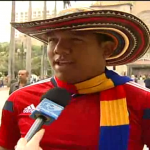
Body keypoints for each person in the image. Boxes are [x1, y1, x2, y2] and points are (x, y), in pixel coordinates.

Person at [0, 6, 150, 150]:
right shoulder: (18, 100)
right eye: (52, 40)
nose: (59, 49)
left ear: (107, 49)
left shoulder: (142, 101)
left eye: (75, 39)